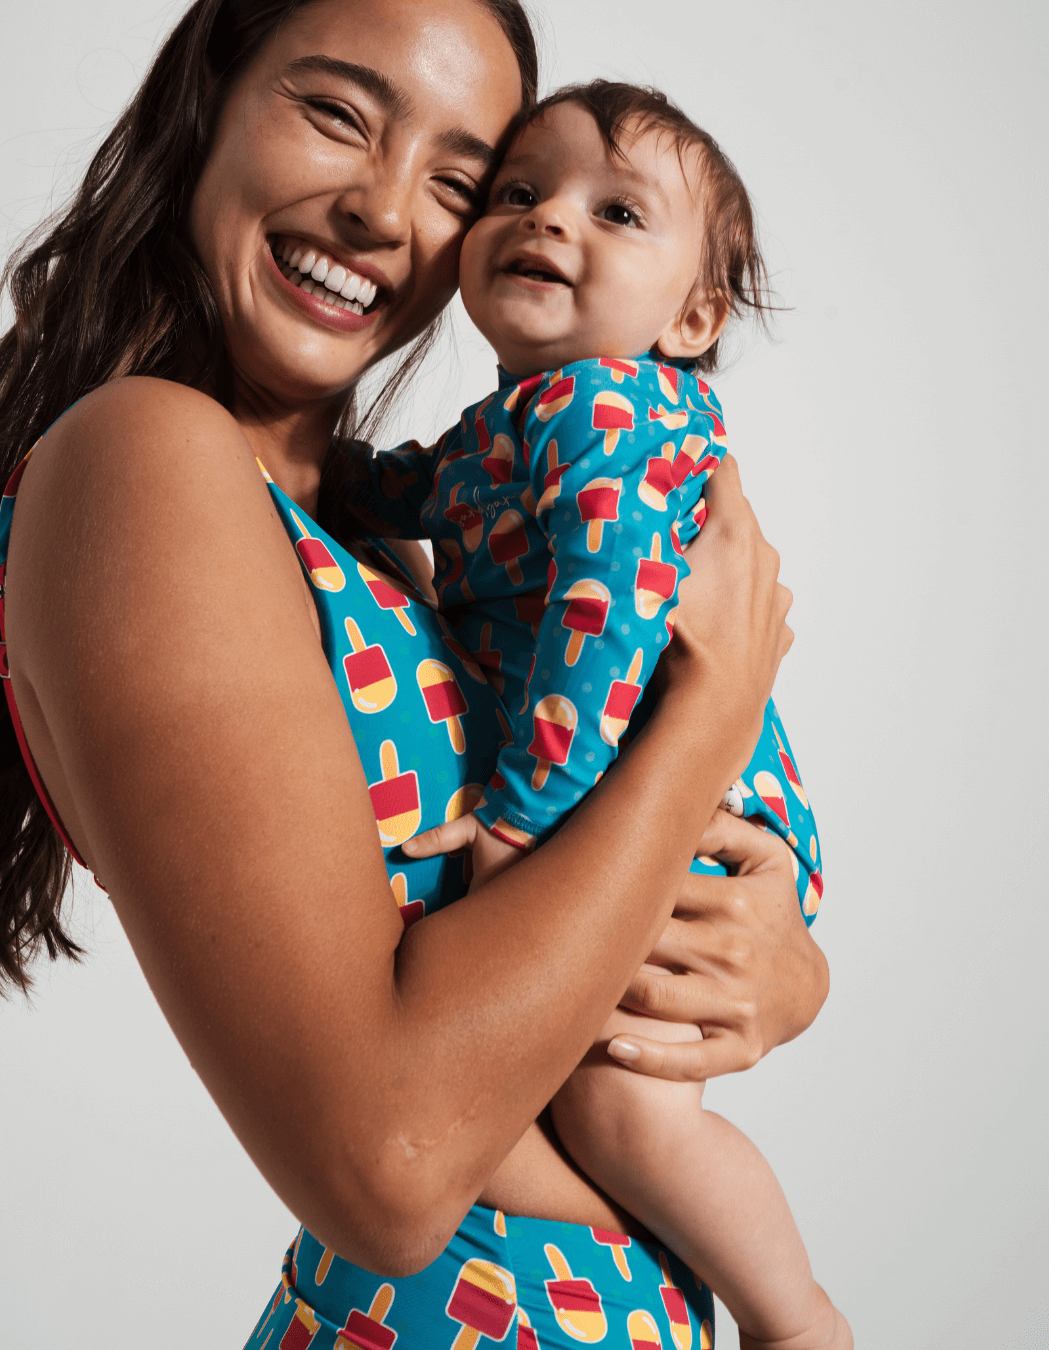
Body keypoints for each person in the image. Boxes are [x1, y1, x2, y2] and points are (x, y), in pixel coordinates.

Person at [0, 1, 828, 1344]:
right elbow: (384, 1166)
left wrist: (781, 970)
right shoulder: (145, 458)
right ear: (206, 107)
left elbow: (563, 934)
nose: (385, 213)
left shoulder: (394, 534)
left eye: (456, 179)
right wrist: (713, 707)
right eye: (336, 113)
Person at [339, 80, 849, 1349]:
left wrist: (518, 818)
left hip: (680, 801)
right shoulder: (516, 417)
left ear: (692, 315)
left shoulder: (610, 412)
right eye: (517, 193)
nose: (547, 220)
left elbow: (604, 623)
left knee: (626, 1115)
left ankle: (795, 1320)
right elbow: (403, 488)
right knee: (588, 1093)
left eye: (614, 210)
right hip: (627, 784)